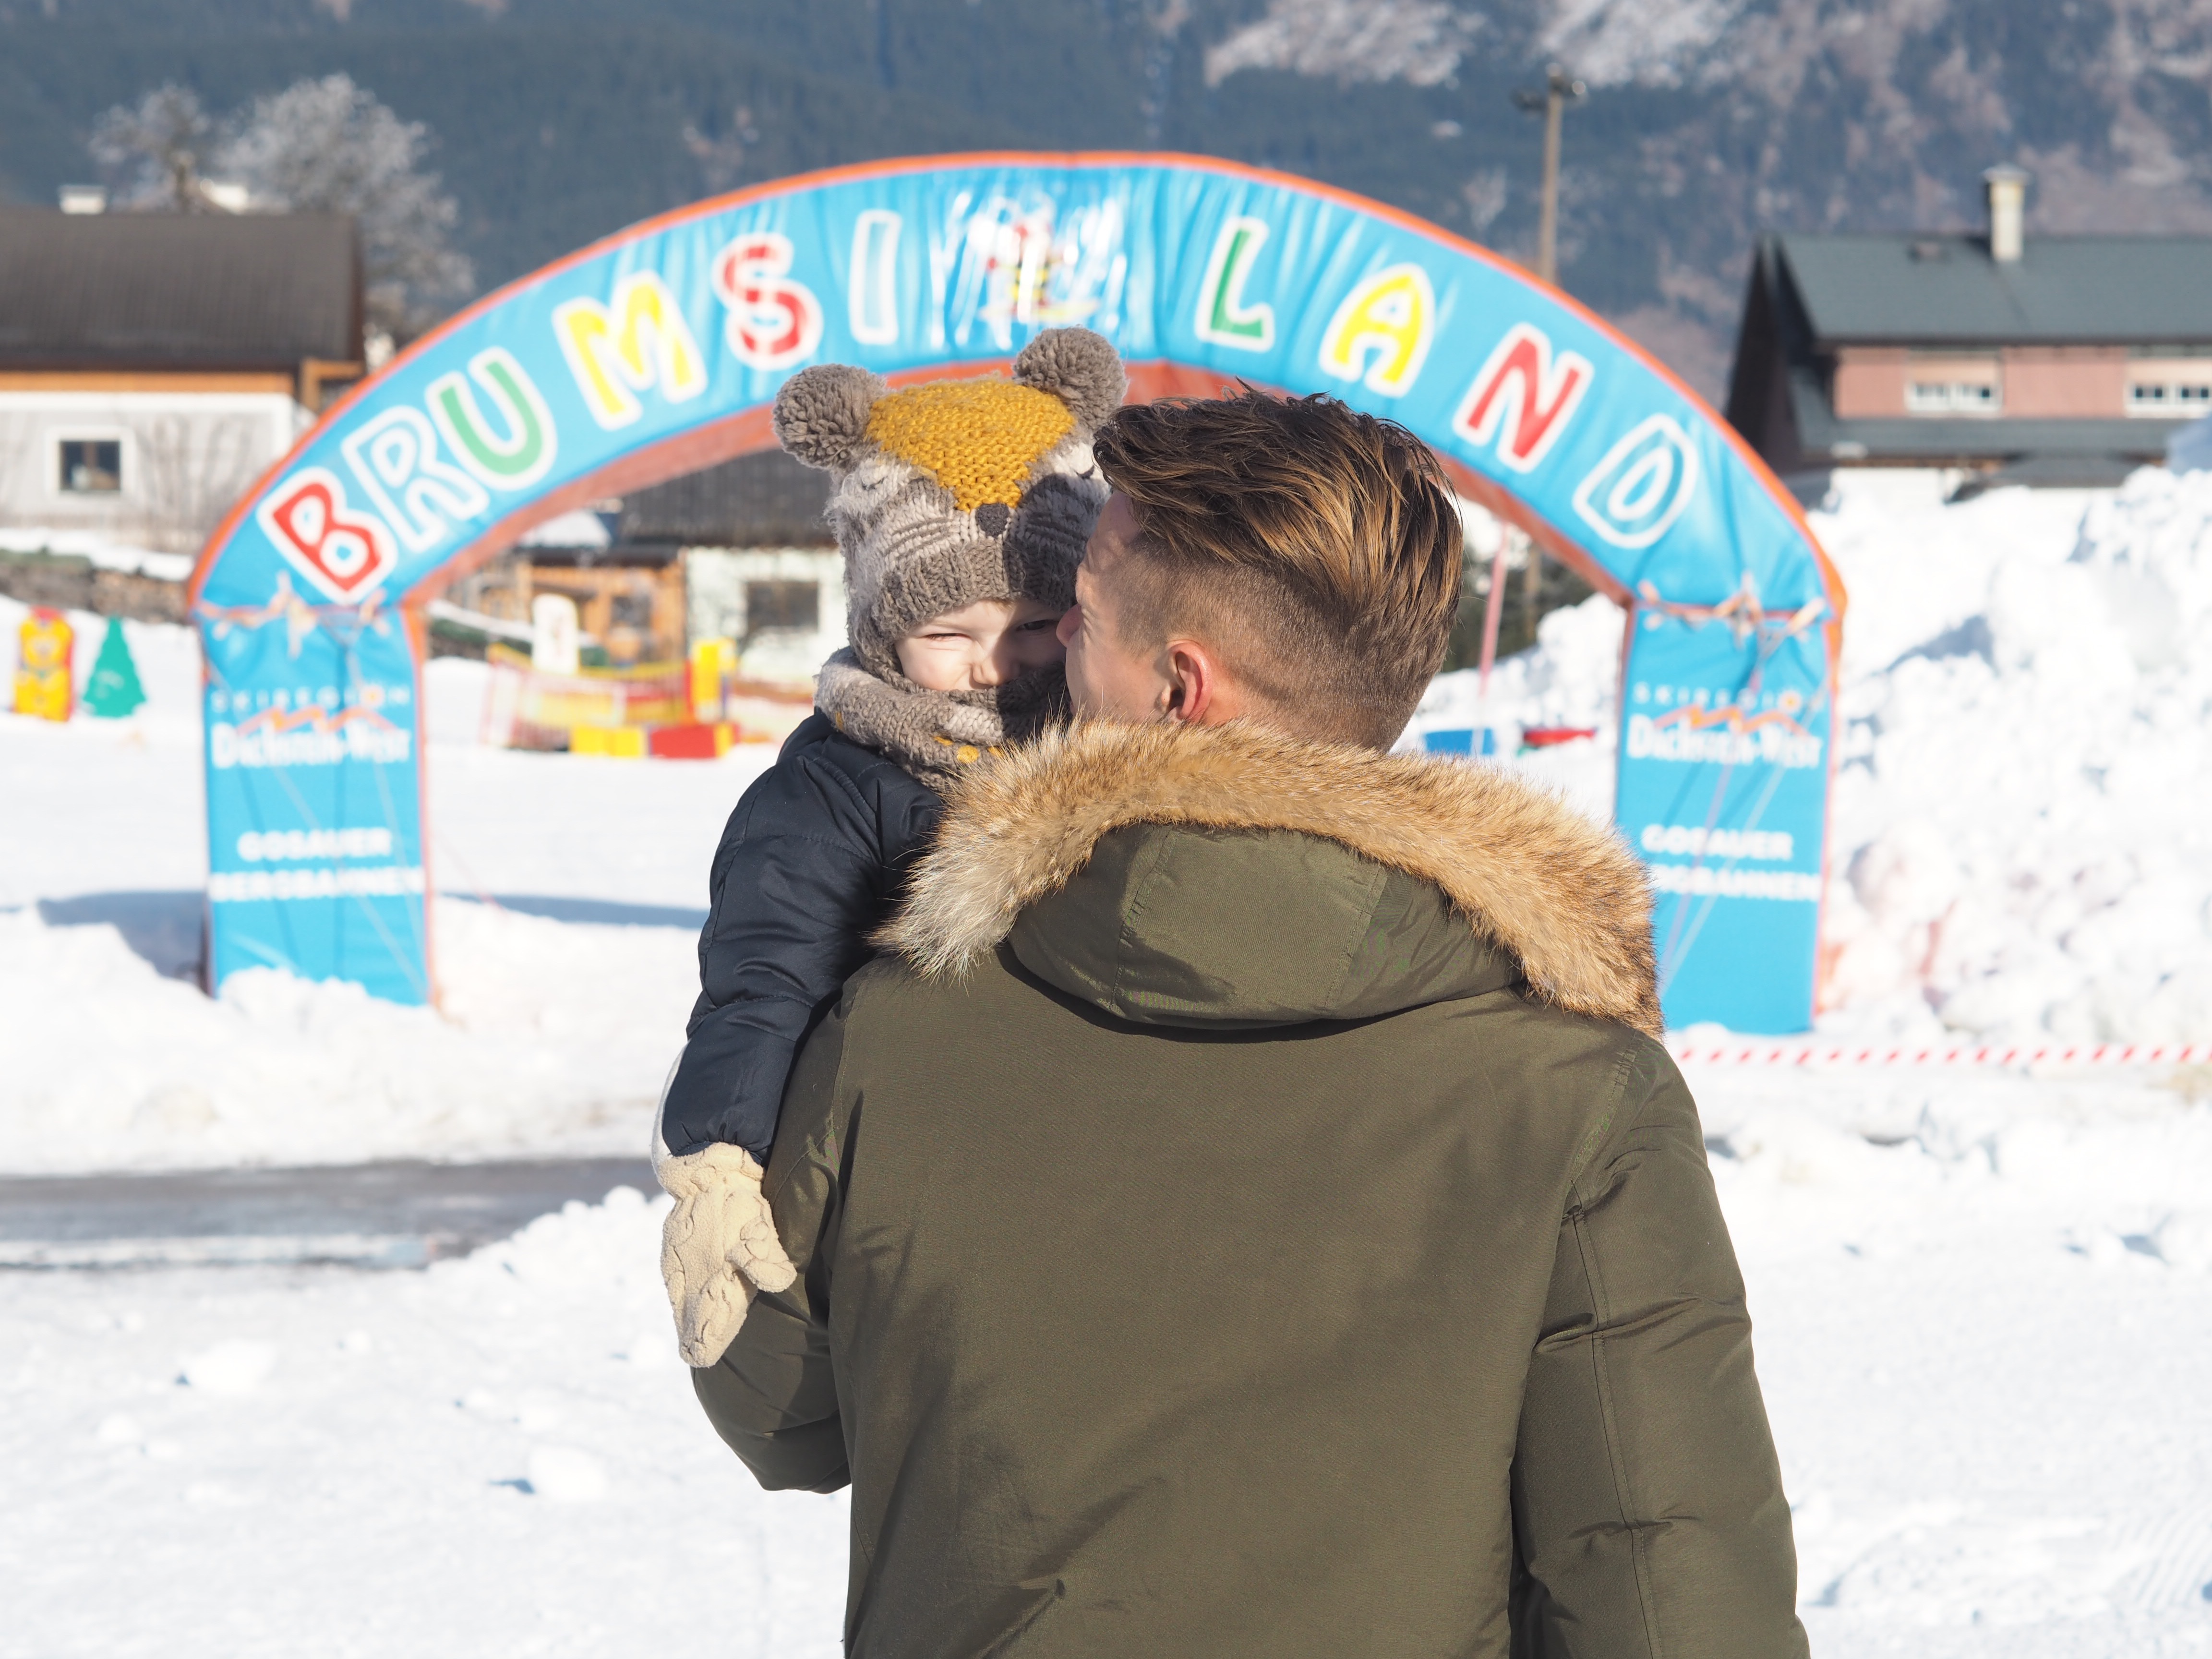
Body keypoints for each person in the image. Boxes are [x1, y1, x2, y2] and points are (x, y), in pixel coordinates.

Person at [697, 389, 1809, 1658]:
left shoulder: (897, 1027)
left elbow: (776, 1412)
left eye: (1087, 613)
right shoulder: (1581, 1093)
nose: (1052, 637)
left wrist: (761, 1022)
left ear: (1180, 687)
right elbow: (1675, 1601)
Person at [653, 327, 1127, 1368]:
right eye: (949, 635)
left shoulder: (1130, 751)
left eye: (1037, 624)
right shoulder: (836, 787)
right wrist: (720, 1157)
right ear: (879, 627)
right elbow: (764, 975)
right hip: (921, 1174)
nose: (996, 669)